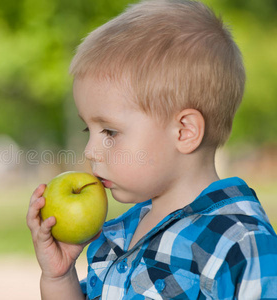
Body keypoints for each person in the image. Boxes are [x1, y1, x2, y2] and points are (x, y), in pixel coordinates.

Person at [26, 0, 277, 299]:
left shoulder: (240, 243)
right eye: (87, 130)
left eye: (110, 131)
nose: (91, 150)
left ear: (185, 131)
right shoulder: (120, 232)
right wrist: (59, 276)